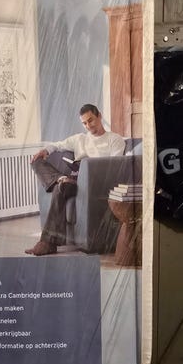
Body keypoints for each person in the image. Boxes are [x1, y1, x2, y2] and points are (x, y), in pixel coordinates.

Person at [25, 104, 126, 256]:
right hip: (74, 182)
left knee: (59, 188)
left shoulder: (114, 139)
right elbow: (57, 145)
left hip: (95, 185)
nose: (88, 126)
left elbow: (115, 167)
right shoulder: (80, 139)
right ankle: (61, 178)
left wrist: (90, 166)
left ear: (99, 116)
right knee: (37, 162)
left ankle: (47, 243)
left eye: (91, 120)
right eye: (84, 123)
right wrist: (45, 150)